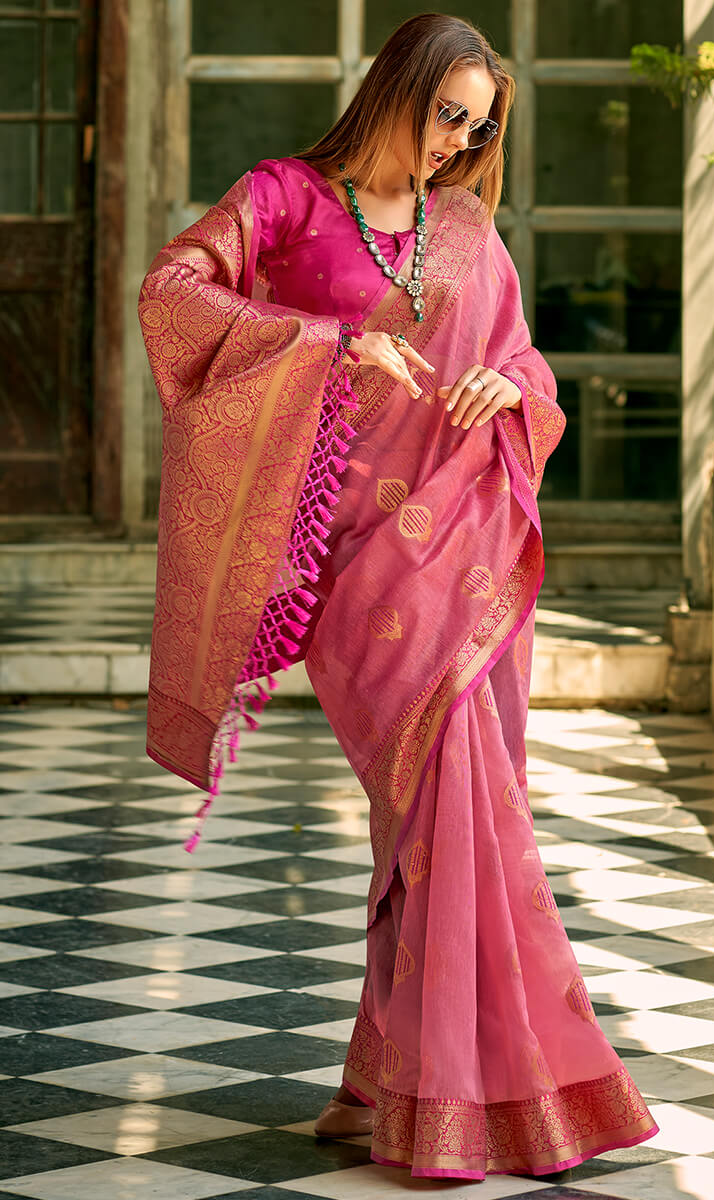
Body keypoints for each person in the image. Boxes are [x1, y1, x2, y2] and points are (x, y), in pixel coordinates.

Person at [138, 11, 659, 1181]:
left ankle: (401, 1084)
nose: (457, 141)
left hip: (463, 545)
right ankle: (468, 1087)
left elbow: (522, 361)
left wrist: (504, 387)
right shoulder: (282, 199)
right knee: (436, 810)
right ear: (396, 88)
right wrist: (326, 346)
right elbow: (170, 293)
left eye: (478, 128)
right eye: (447, 114)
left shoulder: (463, 225)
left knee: (443, 818)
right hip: (349, 563)